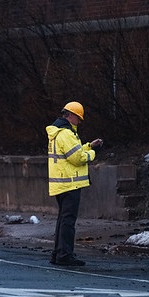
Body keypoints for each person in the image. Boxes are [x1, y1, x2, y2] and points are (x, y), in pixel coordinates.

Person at [46, 101, 103, 266]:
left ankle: (58, 254)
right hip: (70, 184)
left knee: (63, 220)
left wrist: (88, 146)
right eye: (78, 118)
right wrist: (93, 152)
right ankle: (65, 255)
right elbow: (77, 159)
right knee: (68, 221)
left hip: (61, 184)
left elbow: (73, 152)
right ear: (70, 116)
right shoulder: (66, 134)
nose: (79, 121)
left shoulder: (59, 132)